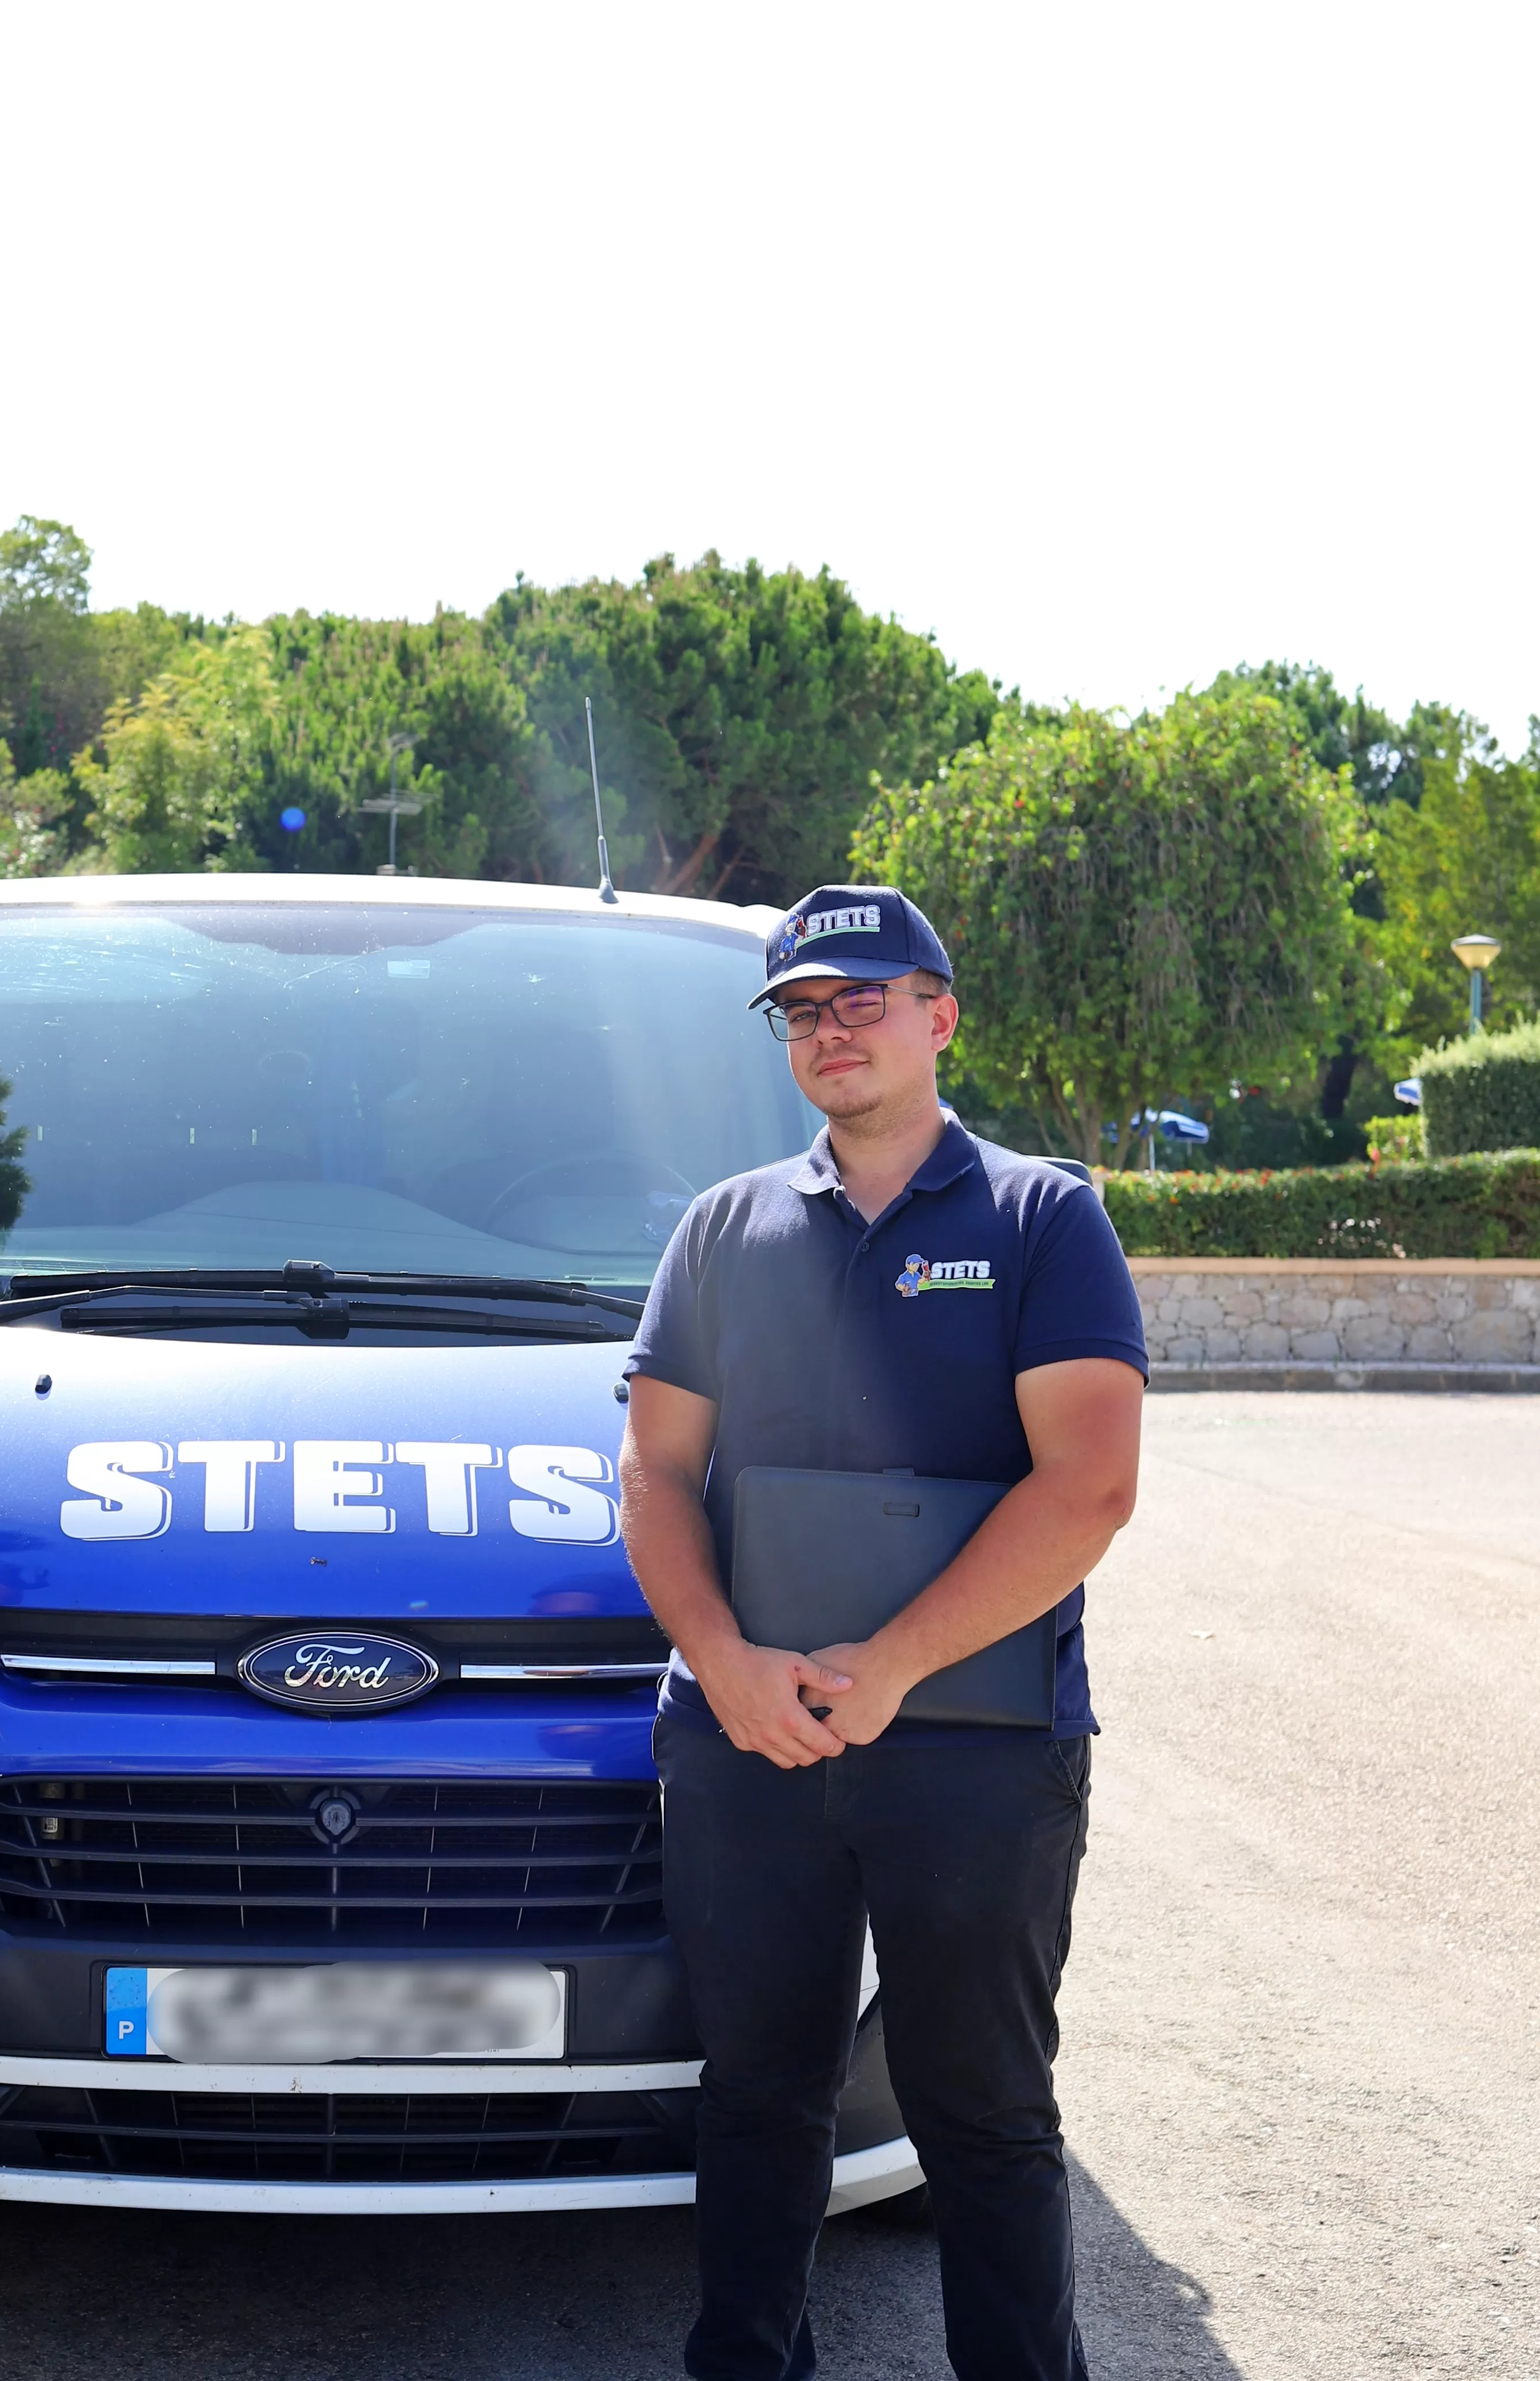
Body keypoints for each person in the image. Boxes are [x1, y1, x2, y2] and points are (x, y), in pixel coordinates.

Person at [619, 883, 1146, 2381]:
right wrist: (725, 1664)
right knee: (760, 2100)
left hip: (975, 1753)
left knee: (980, 2114)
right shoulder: (725, 1229)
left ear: (939, 1016)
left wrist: (892, 1666)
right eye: (800, 1009)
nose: (829, 1030)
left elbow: (1090, 1486)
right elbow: (655, 1475)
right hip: (750, 1742)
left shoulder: (1044, 1218)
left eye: (862, 999)